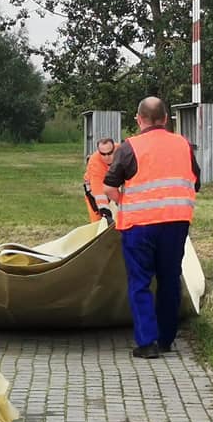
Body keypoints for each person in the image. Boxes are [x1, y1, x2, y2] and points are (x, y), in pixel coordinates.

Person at [104, 96, 201, 359]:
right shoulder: (183, 145)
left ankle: (147, 343)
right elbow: (196, 182)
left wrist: (123, 202)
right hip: (176, 223)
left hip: (139, 226)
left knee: (140, 282)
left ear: (139, 119)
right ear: (166, 119)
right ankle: (167, 339)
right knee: (170, 279)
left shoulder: (129, 147)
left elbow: (110, 186)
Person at [84, 137, 116, 224]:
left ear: (114, 149)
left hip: (113, 186)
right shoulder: (95, 163)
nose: (107, 157)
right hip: (93, 191)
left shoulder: (122, 153)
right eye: (103, 154)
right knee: (98, 223)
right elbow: (98, 191)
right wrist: (105, 213)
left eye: (109, 153)